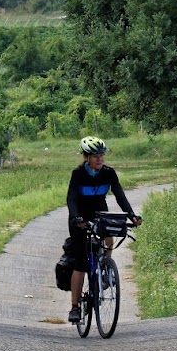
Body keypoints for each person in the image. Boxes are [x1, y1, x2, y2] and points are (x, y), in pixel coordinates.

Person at [65, 135, 140, 324]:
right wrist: (76, 218)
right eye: (95, 156)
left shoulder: (109, 173)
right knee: (81, 262)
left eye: (101, 155)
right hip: (80, 216)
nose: (100, 159)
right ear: (86, 157)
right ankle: (75, 307)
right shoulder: (78, 174)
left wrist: (131, 215)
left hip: (99, 212)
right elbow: (71, 199)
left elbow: (120, 195)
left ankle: (106, 267)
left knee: (110, 235)